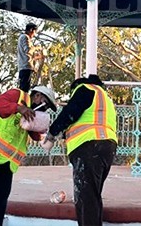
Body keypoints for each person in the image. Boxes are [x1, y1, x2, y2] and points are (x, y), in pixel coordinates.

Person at [0, 85, 57, 226]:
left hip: (7, 160)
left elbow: (35, 136)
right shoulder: (17, 95)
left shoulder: (32, 112)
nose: (45, 108)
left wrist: (38, 125)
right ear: (37, 97)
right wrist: (19, 108)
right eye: (45, 104)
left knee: (2, 195)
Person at [42, 74, 117, 226]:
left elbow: (70, 113)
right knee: (92, 196)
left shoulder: (84, 89)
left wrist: (52, 134)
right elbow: (85, 120)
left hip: (89, 147)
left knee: (85, 199)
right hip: (107, 147)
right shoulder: (105, 98)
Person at [17, 23, 38, 92]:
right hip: (26, 66)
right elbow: (28, 50)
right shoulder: (25, 37)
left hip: (25, 66)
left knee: (25, 87)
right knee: (25, 89)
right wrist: (36, 48)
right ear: (31, 30)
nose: (34, 35)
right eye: (34, 32)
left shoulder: (22, 37)